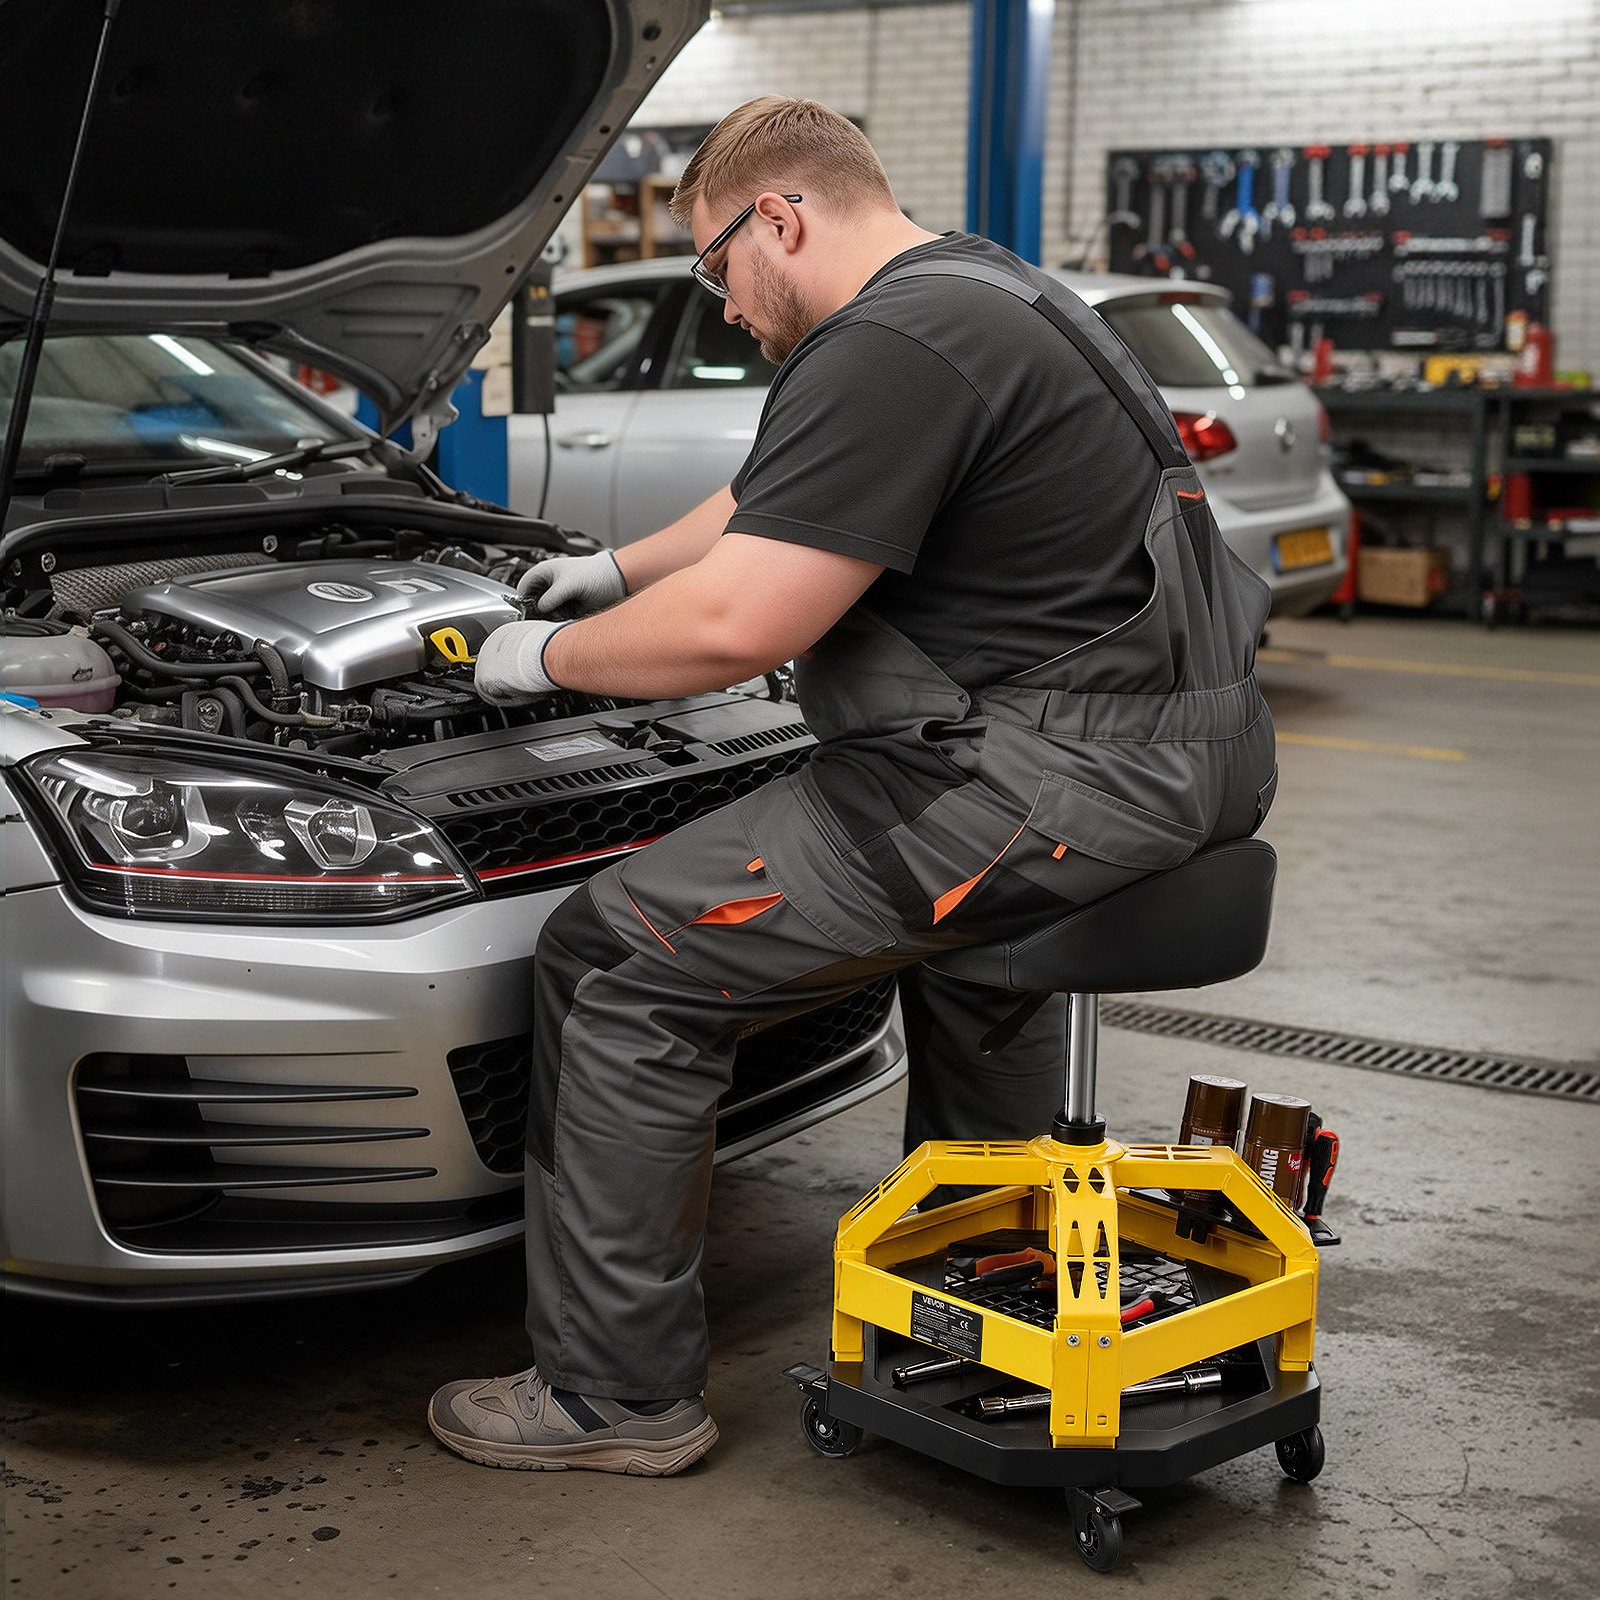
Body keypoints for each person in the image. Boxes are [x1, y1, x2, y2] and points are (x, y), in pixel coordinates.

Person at [428, 97, 1275, 1476]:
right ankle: (985, 1302)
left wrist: (547, 654)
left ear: (782, 217)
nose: (719, 306)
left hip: (1047, 787)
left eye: (714, 268)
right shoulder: (983, 290)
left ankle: (610, 1398)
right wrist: (620, 570)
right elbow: (785, 497)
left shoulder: (889, 339)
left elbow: (737, 631)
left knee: (616, 953)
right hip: (1185, 760)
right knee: (976, 957)